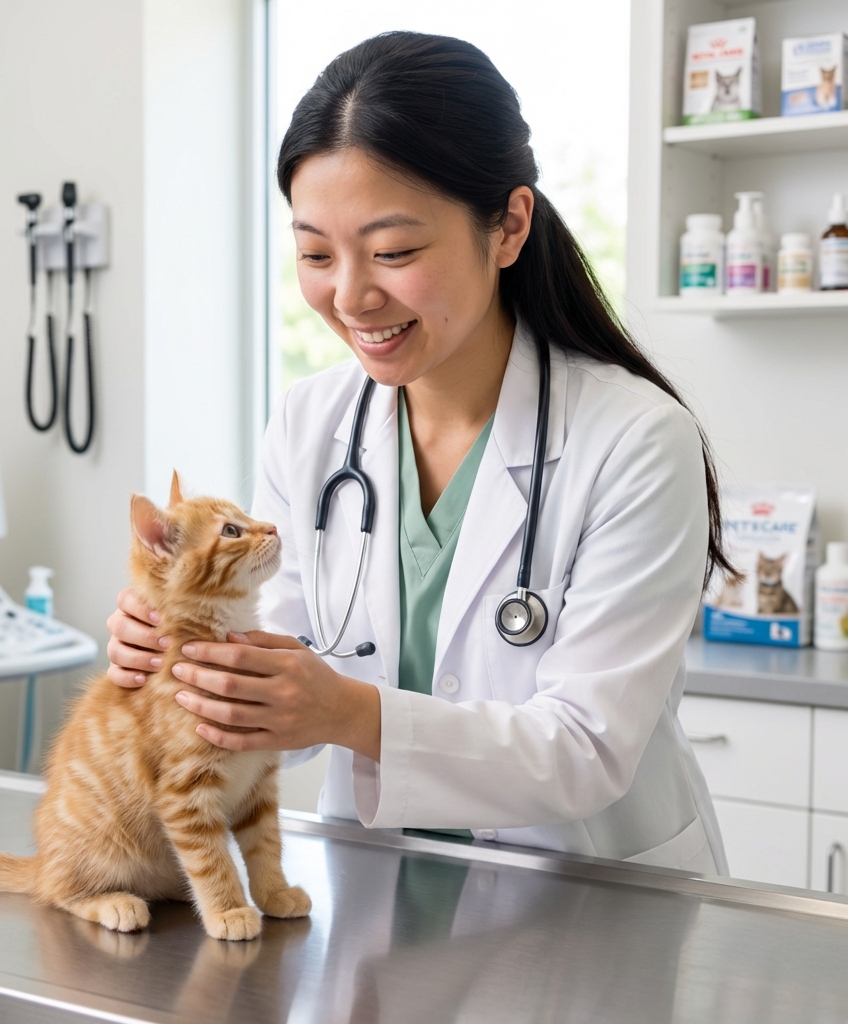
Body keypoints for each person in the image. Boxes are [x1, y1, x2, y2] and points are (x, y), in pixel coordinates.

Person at [107, 32, 734, 873]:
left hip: (590, 903)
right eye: (316, 254)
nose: (352, 295)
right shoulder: (310, 424)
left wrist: (347, 713)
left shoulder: (636, 440)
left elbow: (588, 749)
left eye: (394, 252)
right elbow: (283, 704)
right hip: (378, 888)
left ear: (508, 226)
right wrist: (189, 658)